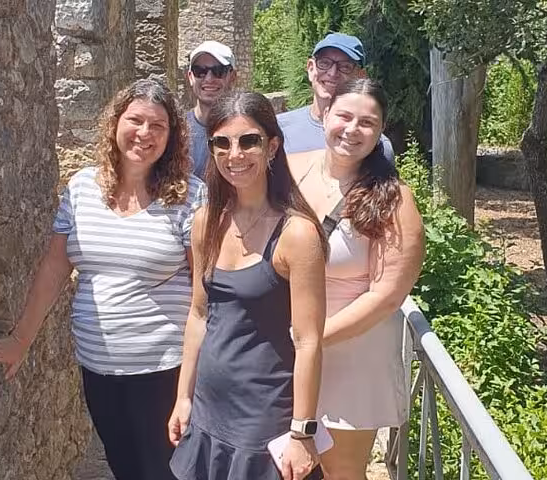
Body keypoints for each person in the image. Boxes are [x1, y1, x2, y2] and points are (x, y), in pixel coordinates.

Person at [0, 78, 206, 480]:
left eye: (158, 126)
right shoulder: (82, 187)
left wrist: (187, 389)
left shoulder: (189, 197)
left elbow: (203, 296)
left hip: (162, 369)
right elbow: (54, 267)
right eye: (135, 120)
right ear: (115, 123)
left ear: (172, 137)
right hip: (98, 367)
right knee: (126, 468)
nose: (144, 134)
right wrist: (20, 341)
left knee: (166, 472)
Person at [168, 92, 328, 480]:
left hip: (263, 416)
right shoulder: (207, 221)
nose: (234, 154)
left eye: (248, 141)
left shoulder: (296, 234)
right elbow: (199, 312)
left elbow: (308, 341)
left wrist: (302, 432)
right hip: (209, 407)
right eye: (221, 142)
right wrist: (183, 397)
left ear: (272, 146)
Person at [287, 78, 424, 480]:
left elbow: (386, 295)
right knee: (284, 458)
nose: (352, 129)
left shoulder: (393, 198)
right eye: (344, 115)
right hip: (288, 349)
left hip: (352, 354)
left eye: (368, 122)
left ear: (381, 131)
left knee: (339, 469)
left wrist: (312, 340)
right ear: (326, 114)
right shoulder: (290, 171)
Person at [277, 32, 394, 162]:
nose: (332, 73)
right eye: (325, 63)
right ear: (311, 69)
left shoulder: (372, 145)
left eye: (345, 67)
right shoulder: (278, 129)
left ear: (361, 76)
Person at [185, 40, 238, 179]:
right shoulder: (176, 130)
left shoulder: (245, 130)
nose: (209, 78)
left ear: (232, 77)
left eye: (218, 71)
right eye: (200, 71)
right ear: (190, 77)